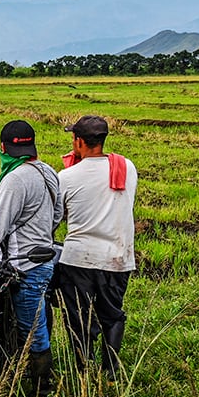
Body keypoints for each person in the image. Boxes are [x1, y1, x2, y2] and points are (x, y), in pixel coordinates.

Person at [0, 119, 63, 397]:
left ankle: (42, 393)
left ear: (2, 148)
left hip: (25, 266)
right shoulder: (47, 172)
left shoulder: (14, 179)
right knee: (21, 317)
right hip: (43, 258)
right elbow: (57, 214)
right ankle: (10, 368)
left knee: (32, 326)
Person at [57, 115, 137, 383]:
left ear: (79, 142)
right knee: (113, 315)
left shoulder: (66, 176)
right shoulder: (126, 167)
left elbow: (59, 216)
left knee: (79, 318)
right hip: (118, 257)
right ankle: (111, 371)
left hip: (78, 258)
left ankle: (83, 371)